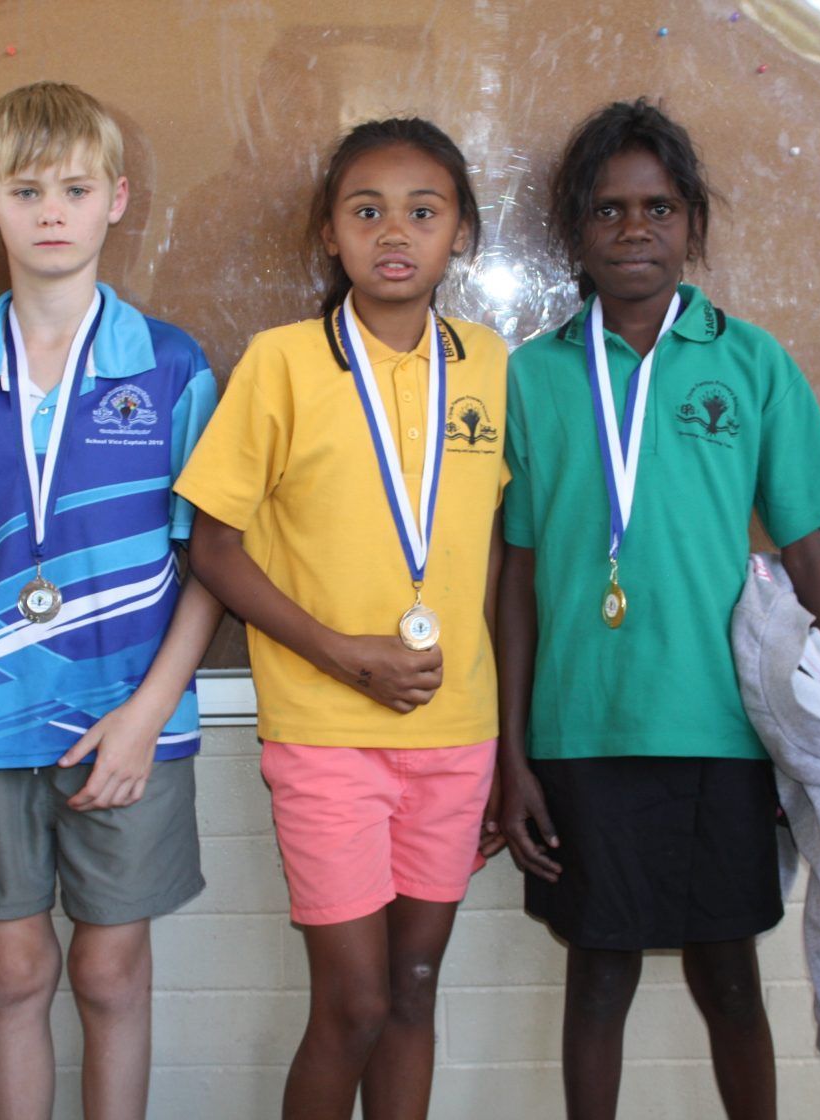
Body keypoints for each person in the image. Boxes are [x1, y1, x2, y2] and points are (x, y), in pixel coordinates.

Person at [494, 98, 820, 1120]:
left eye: (659, 208)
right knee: (600, 972)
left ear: (691, 224)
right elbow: (517, 580)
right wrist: (514, 752)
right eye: (610, 210)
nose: (635, 230)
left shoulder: (749, 362)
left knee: (729, 977)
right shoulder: (533, 377)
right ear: (574, 230)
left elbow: (808, 552)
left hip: (721, 729)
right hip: (582, 730)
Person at [0, 81, 222, 1120]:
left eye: (74, 188)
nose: (52, 211)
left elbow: (211, 565)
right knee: (13, 975)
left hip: (128, 733)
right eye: (26, 190)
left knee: (112, 978)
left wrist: (147, 713)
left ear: (116, 199)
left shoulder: (170, 368)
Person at [178, 118, 509, 1120]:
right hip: (326, 736)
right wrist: (342, 656)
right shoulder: (281, 363)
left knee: (413, 992)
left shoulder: (490, 365)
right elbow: (213, 548)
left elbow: (503, 551)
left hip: (456, 736)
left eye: (424, 210)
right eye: (366, 211)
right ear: (330, 233)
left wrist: (512, 749)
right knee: (354, 1002)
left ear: (463, 234)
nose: (394, 232)